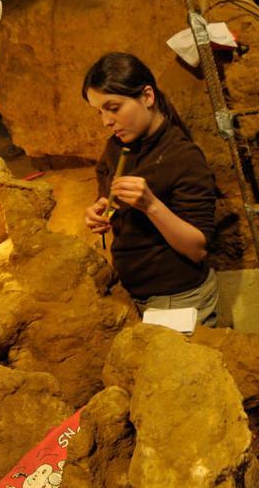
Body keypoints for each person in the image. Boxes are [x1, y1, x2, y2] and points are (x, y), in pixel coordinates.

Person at [82, 52, 218, 326]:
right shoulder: (117, 147)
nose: (106, 121)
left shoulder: (184, 157)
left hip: (177, 296)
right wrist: (100, 211)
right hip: (132, 290)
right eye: (99, 111)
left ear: (147, 97)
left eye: (114, 108)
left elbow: (197, 249)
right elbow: (107, 196)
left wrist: (151, 205)